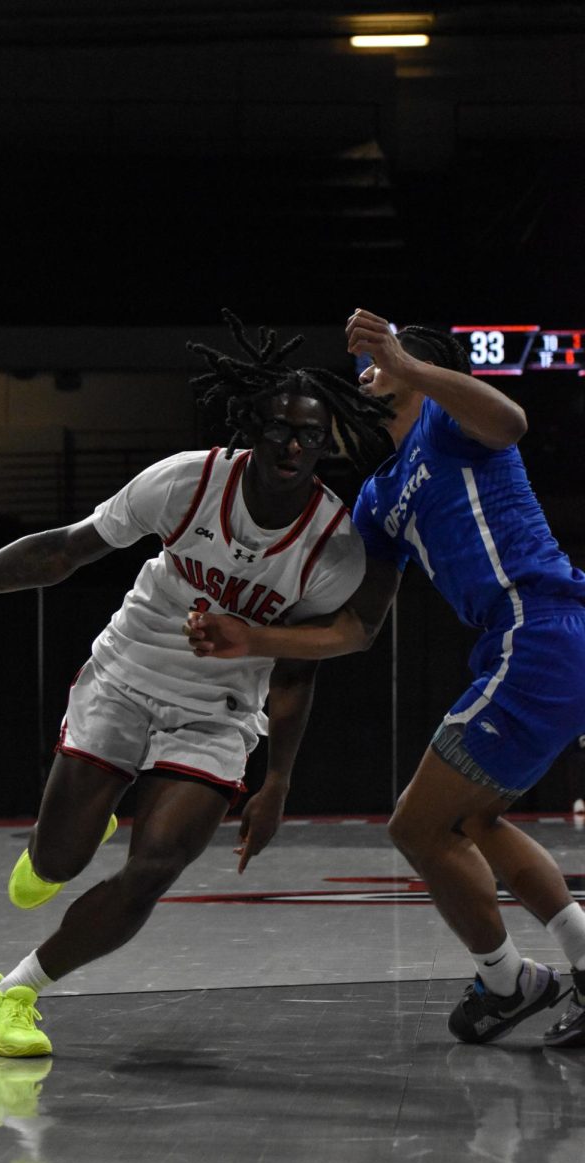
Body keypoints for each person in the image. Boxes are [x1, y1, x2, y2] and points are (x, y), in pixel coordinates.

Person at [0, 309, 390, 1057]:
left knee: (158, 864)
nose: (294, 444)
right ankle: (68, 838)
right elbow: (64, 552)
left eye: (309, 433)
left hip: (220, 710)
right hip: (129, 671)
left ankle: (11, 994)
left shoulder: (335, 550)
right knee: (55, 864)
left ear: (326, 442)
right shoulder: (187, 481)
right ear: (251, 430)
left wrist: (279, 783)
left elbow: (299, 669)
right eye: (279, 428)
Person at [187, 308, 585, 1049]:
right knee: (474, 820)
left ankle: (508, 985)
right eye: (368, 367)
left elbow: (512, 420)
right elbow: (357, 630)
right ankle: (553, 968)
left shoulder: (450, 424)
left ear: (416, 370)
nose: (366, 374)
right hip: (525, 645)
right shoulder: (377, 496)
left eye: (378, 364)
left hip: (541, 626)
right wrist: (255, 637)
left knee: (415, 824)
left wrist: (408, 364)